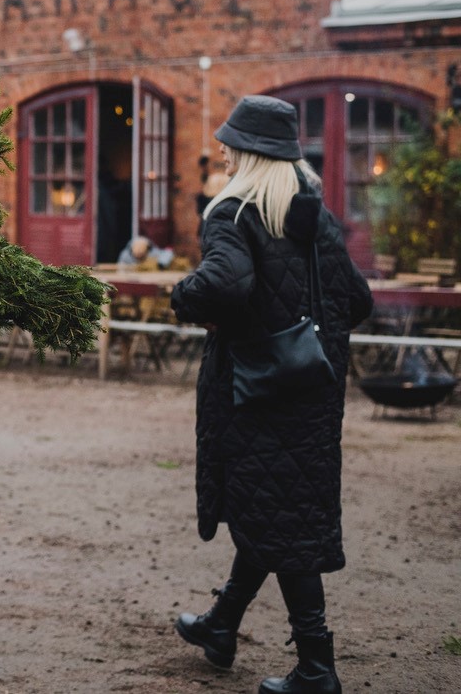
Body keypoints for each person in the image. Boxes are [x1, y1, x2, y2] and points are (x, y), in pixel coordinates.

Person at [169, 95, 373, 694]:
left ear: (249, 153)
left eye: (231, 145)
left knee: (284, 525)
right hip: (313, 392)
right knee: (277, 510)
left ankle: (316, 668)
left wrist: (182, 297)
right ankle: (221, 625)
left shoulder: (234, 213)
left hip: (257, 393)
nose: (225, 153)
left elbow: (223, 285)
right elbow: (357, 301)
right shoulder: (315, 218)